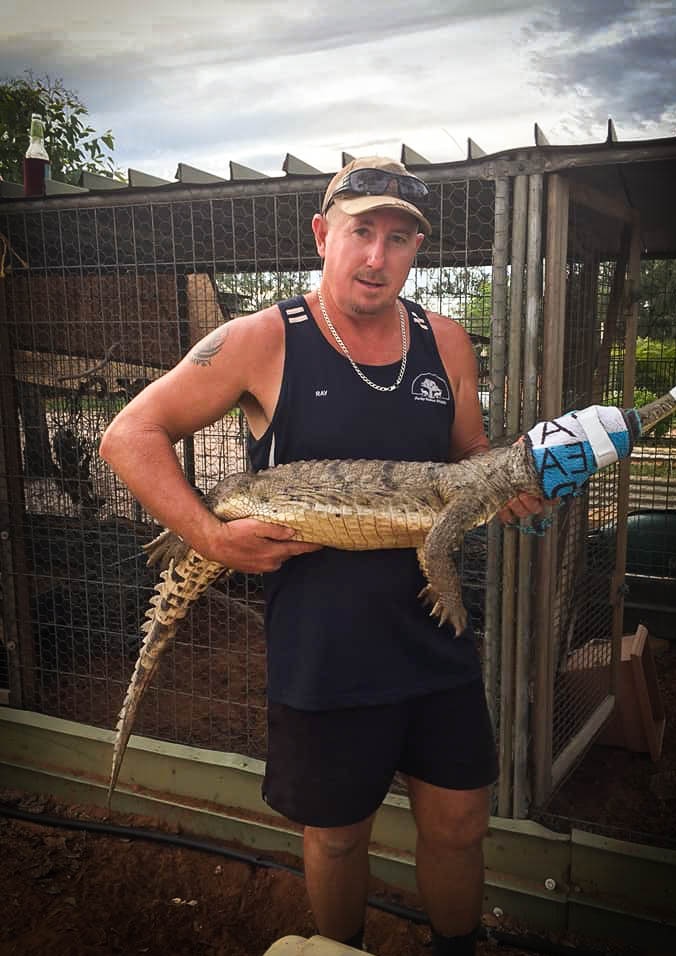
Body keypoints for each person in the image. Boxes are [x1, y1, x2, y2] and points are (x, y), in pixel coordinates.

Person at [100, 156, 544, 954]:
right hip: (321, 646)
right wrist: (210, 537)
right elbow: (128, 434)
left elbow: (468, 455)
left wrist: (516, 480)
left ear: (416, 251)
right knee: (337, 837)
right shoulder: (260, 338)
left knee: (459, 822)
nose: (377, 256)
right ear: (322, 234)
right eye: (360, 231)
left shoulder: (444, 340)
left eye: (398, 238)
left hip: (431, 630)